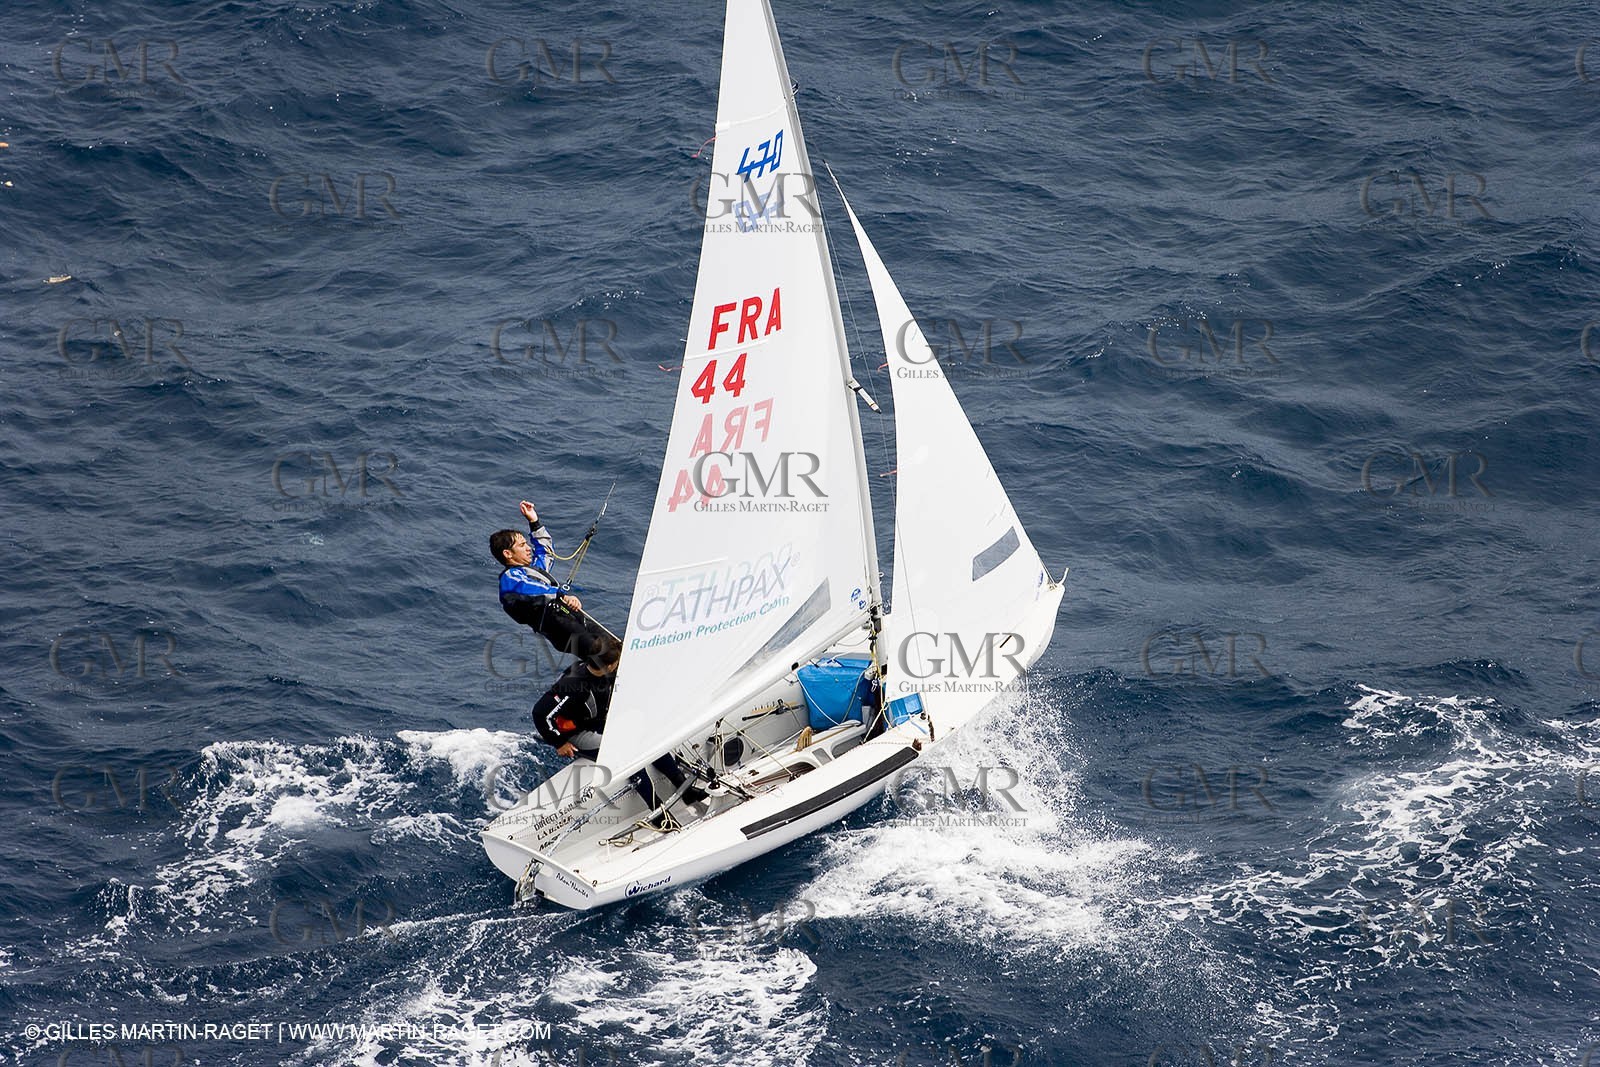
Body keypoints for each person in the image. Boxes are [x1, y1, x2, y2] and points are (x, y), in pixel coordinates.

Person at [529, 635, 708, 819]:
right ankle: (657, 811)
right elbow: (540, 713)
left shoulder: (604, 671)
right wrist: (559, 743)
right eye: (617, 661)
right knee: (626, 753)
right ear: (609, 665)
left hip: (600, 722)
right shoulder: (573, 684)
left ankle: (685, 789)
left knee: (647, 737)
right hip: (578, 733)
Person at [491, 499, 609, 662]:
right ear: (507, 554)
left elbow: (545, 552)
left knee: (613, 647)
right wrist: (561, 595)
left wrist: (534, 522)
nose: (528, 548)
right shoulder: (510, 578)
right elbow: (530, 589)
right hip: (557, 624)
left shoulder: (532, 570)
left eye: (527, 544)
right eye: (522, 545)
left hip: (568, 614)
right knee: (600, 652)